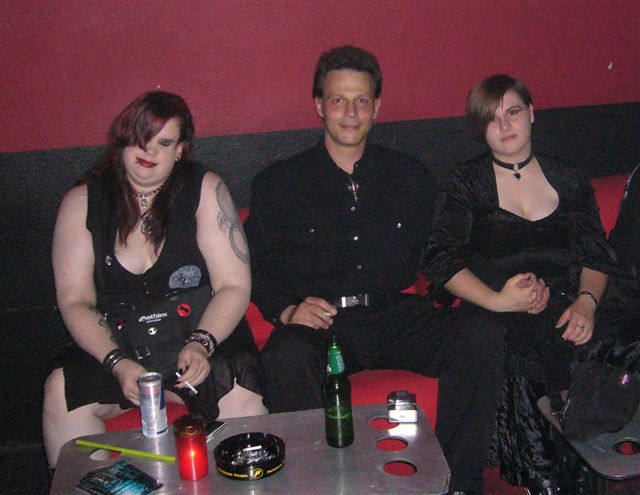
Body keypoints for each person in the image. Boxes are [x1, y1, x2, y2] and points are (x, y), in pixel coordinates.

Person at [245, 45, 507, 495]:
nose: (351, 112)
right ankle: (318, 487)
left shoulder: (409, 176)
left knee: (481, 333)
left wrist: (495, 292)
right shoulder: (279, 182)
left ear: (377, 107)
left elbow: (441, 253)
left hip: (394, 314)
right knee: (285, 357)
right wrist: (287, 310)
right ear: (319, 106)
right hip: (324, 323)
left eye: (361, 100)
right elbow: (257, 263)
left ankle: (459, 484)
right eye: (339, 100)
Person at [42, 91, 267, 468]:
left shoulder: (205, 188)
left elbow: (234, 285)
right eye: (141, 137)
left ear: (179, 150)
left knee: (238, 383)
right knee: (60, 390)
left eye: (164, 142)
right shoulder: (82, 201)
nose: (150, 151)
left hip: (199, 336)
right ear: (123, 139)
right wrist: (117, 362)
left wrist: (202, 343)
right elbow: (75, 300)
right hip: (119, 343)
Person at [424, 74, 620, 494]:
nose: (505, 125)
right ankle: (543, 478)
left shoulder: (568, 177)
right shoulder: (466, 182)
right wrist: (498, 299)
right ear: (480, 130)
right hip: (493, 307)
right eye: (491, 119)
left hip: (563, 301)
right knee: (510, 350)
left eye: (512, 112)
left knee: (608, 341)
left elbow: (596, 253)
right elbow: (442, 261)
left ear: (531, 113)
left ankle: (599, 468)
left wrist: (587, 301)